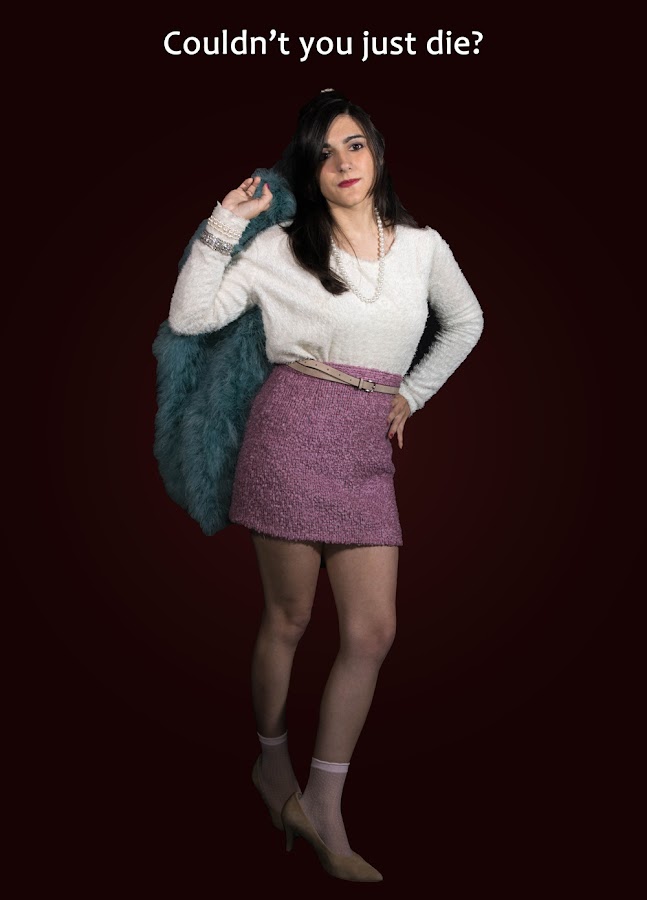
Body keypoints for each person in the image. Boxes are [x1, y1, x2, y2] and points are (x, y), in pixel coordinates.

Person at [167, 89, 484, 882]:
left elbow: (467, 322)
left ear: (376, 150)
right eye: (323, 152)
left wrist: (412, 393)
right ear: (308, 170)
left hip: (364, 448)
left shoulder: (422, 247)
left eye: (353, 145)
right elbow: (191, 316)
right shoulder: (279, 247)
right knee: (290, 617)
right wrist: (225, 222)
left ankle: (322, 802)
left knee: (371, 632)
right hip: (290, 433)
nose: (341, 163)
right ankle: (270, 762)